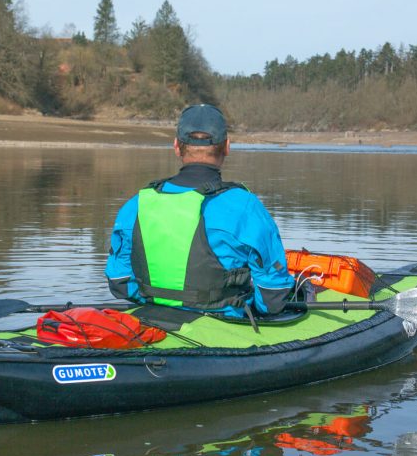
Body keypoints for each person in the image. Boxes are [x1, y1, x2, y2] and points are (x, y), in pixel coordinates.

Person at [105, 103, 295, 318]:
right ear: (227, 147)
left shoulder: (137, 204)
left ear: (177, 146)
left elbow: (120, 284)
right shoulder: (245, 206)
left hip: (152, 317)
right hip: (223, 326)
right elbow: (272, 297)